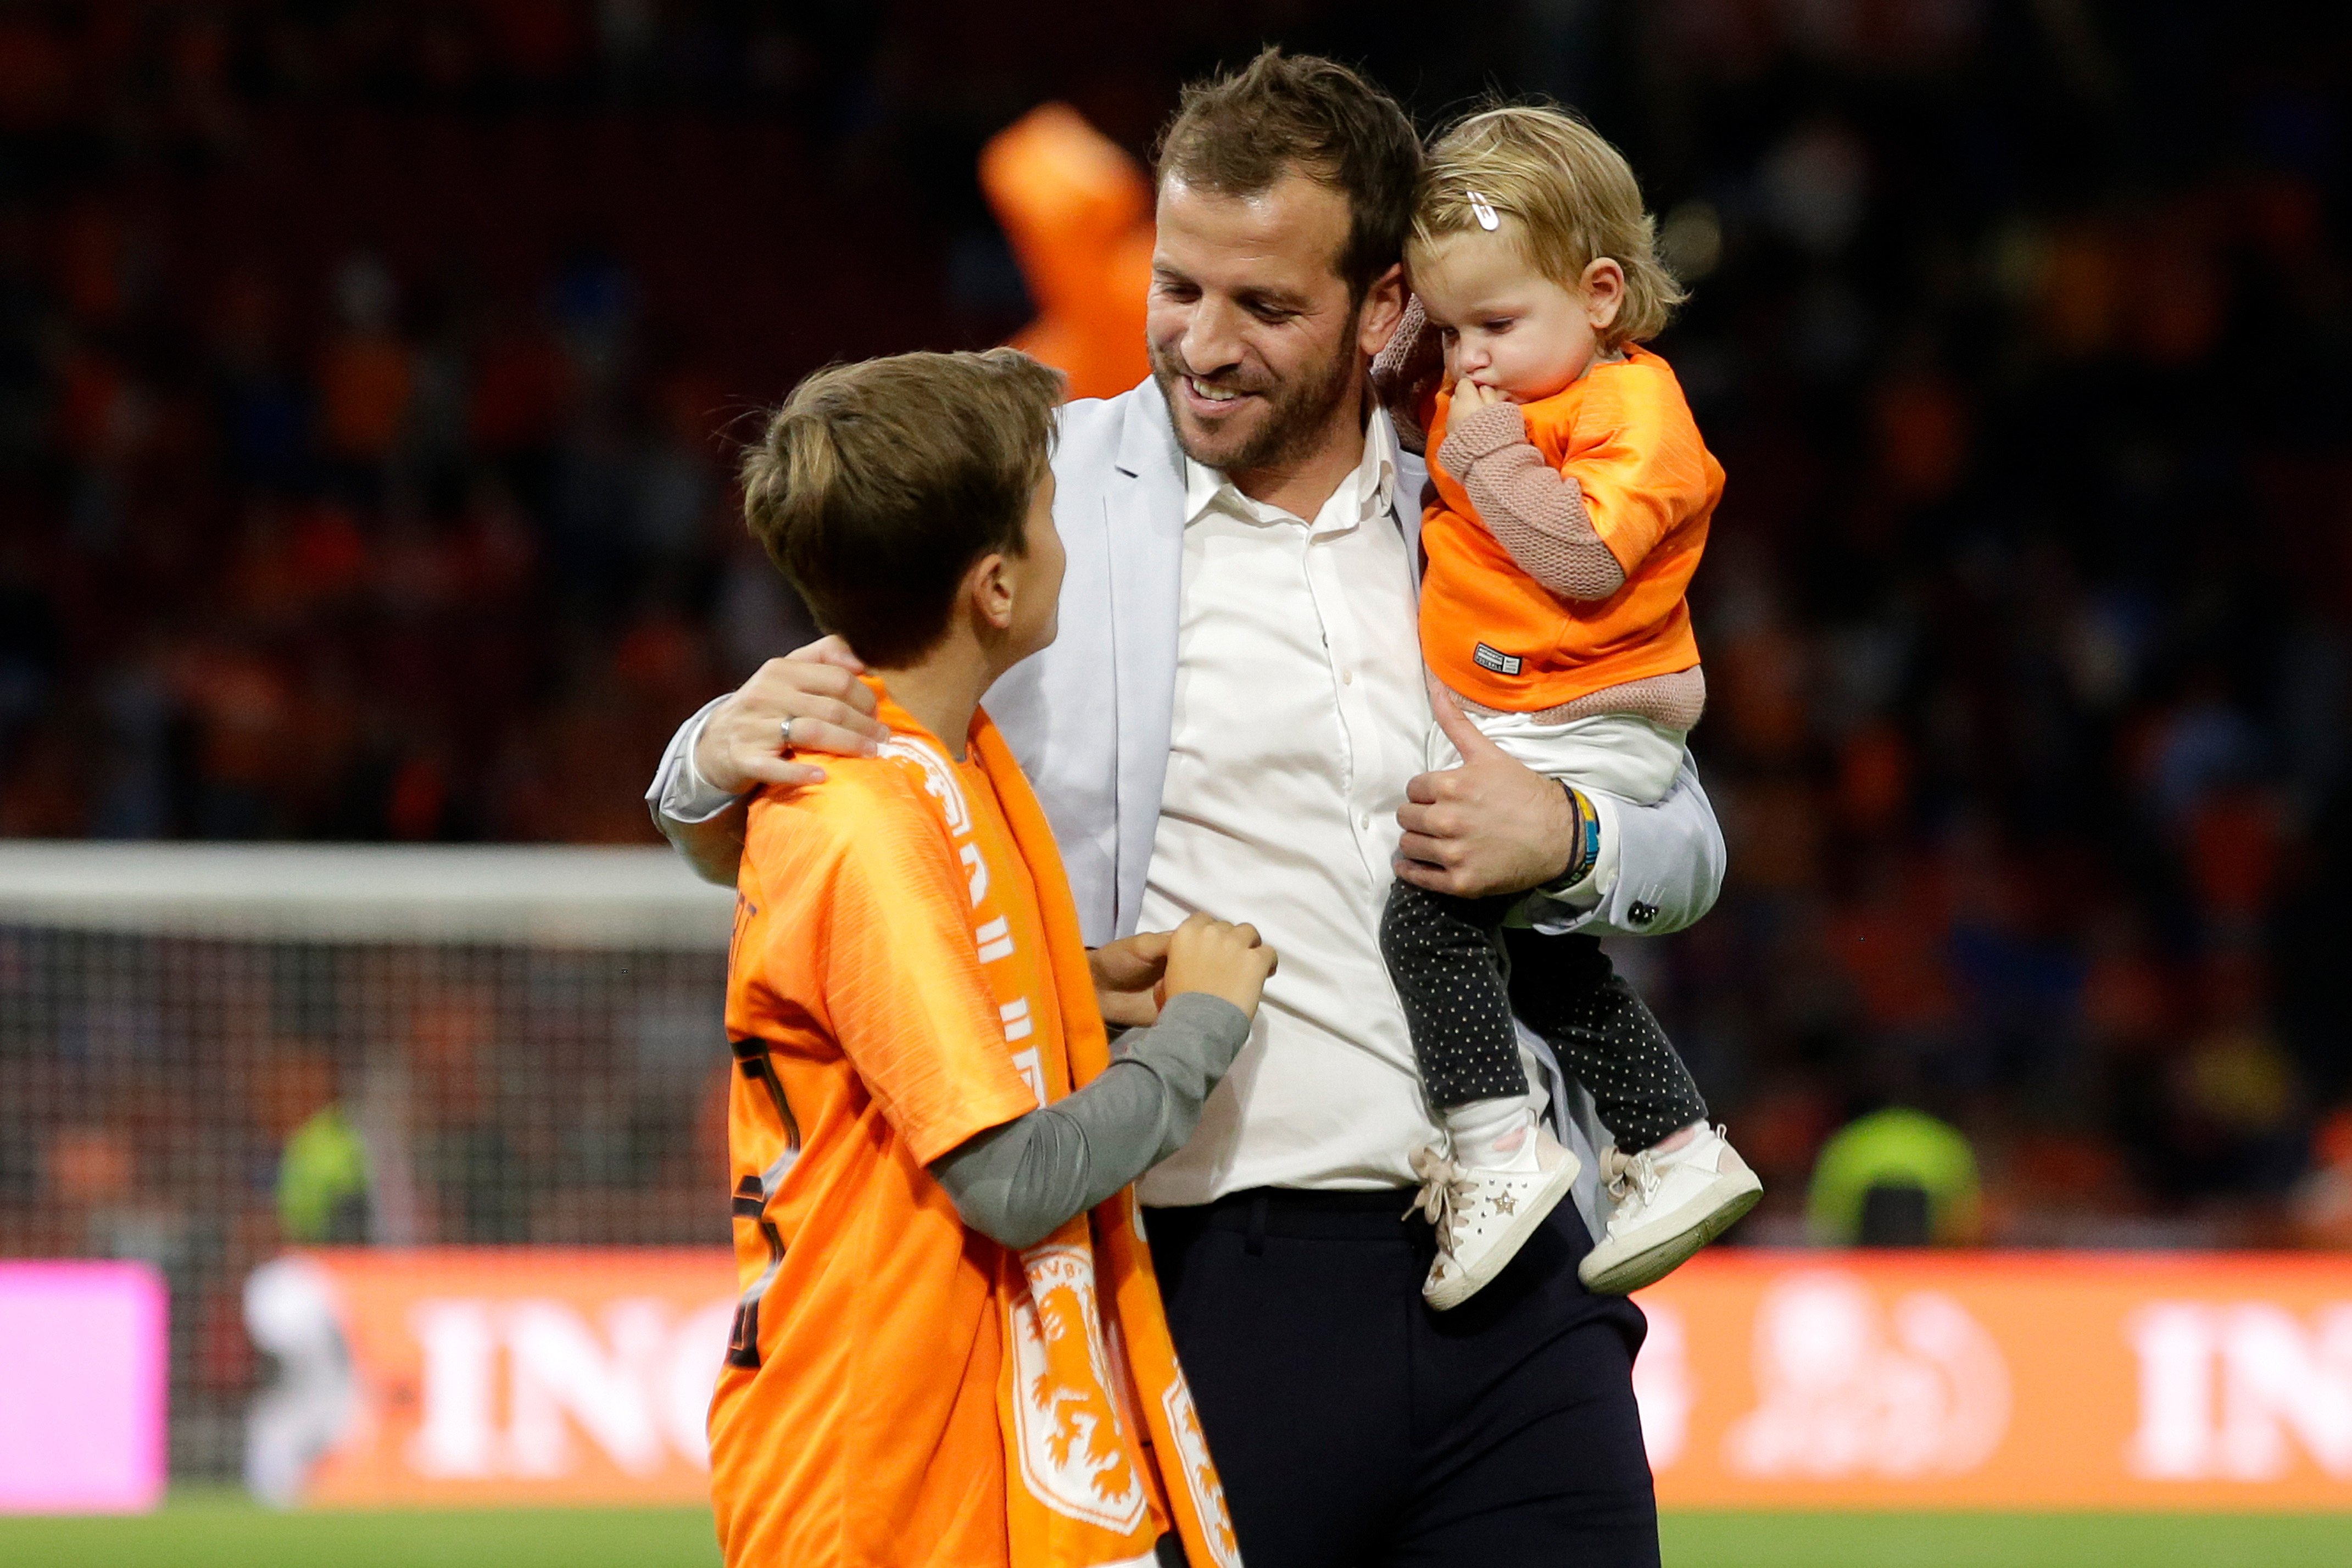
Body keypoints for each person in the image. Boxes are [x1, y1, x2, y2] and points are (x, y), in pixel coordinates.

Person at [655, 51, 1727, 1567]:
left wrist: (1569, 841)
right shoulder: (1037, 490)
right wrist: (716, 747)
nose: (1200, 347)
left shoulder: (1501, 498)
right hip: (1201, 1264)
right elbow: (783, 800)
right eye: (1179, 290)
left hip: (1511, 1275)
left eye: (1262, 307)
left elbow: (1681, 840)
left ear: (1381, 311)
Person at [707, 345, 1278, 1568]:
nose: (1070, 540)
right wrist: (1197, 1035)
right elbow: (1010, 1181)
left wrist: (1076, 987)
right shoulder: (864, 814)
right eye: (1048, 513)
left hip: (938, 1429)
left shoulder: (943, 757)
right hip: (876, 1464)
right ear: (997, 589)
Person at [1377, 105, 1762, 1309]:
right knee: (1538, 962)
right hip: (1529, 704)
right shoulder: (1500, 388)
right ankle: (1671, 1148)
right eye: (1447, 329)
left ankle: (1496, 1156)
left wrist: (1490, 455)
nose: (1467, 357)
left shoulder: (1630, 410)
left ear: (1599, 294)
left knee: (1429, 922)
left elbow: (1585, 561)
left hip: (1585, 717)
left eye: (1492, 323)